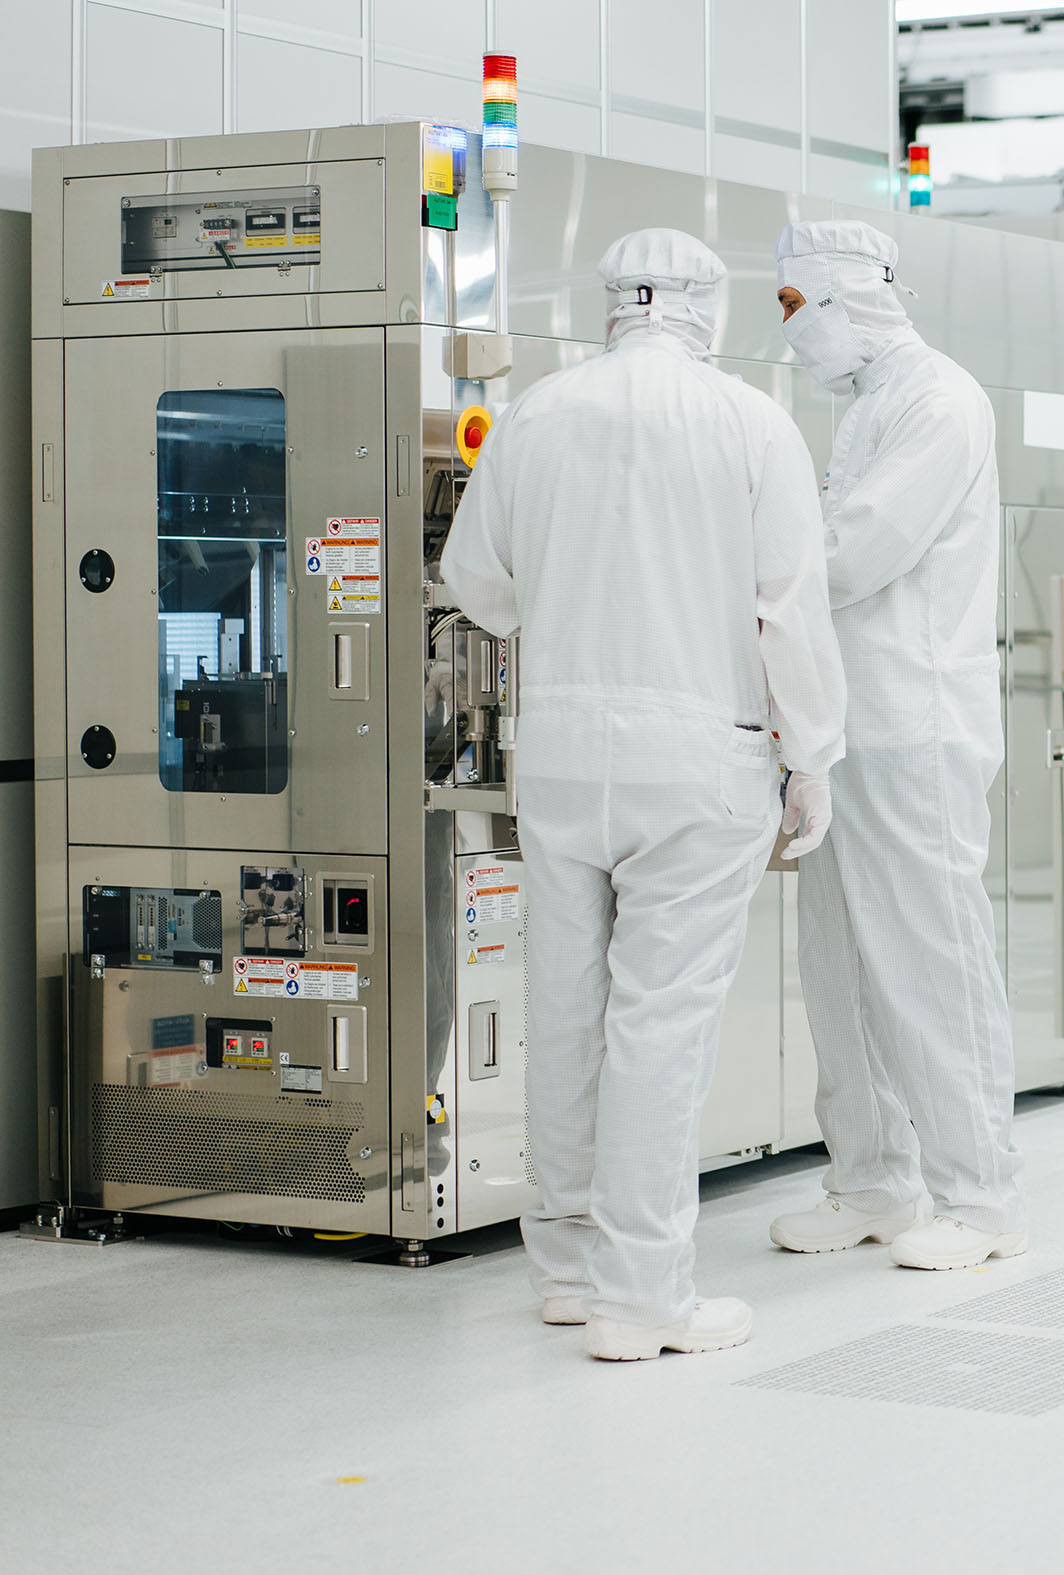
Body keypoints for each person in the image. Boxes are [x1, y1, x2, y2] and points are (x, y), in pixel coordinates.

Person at [440, 228, 844, 1359]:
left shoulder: (538, 413)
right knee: (662, 1024)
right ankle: (644, 1296)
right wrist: (812, 755)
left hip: (562, 755)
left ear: (615, 303)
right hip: (698, 761)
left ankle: (567, 1268)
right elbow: (787, 610)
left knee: (565, 1012)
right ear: (706, 309)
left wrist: (562, 606)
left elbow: (475, 582)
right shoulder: (751, 422)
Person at [764, 219, 1028, 1271]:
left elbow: (859, 550)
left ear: (843, 296)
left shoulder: (939, 400)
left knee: (931, 959)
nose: (791, 337)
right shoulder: (870, 406)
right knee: (838, 963)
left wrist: (739, 576)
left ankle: (984, 1196)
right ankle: (872, 1181)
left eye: (795, 312)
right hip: (839, 729)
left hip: (914, 725)